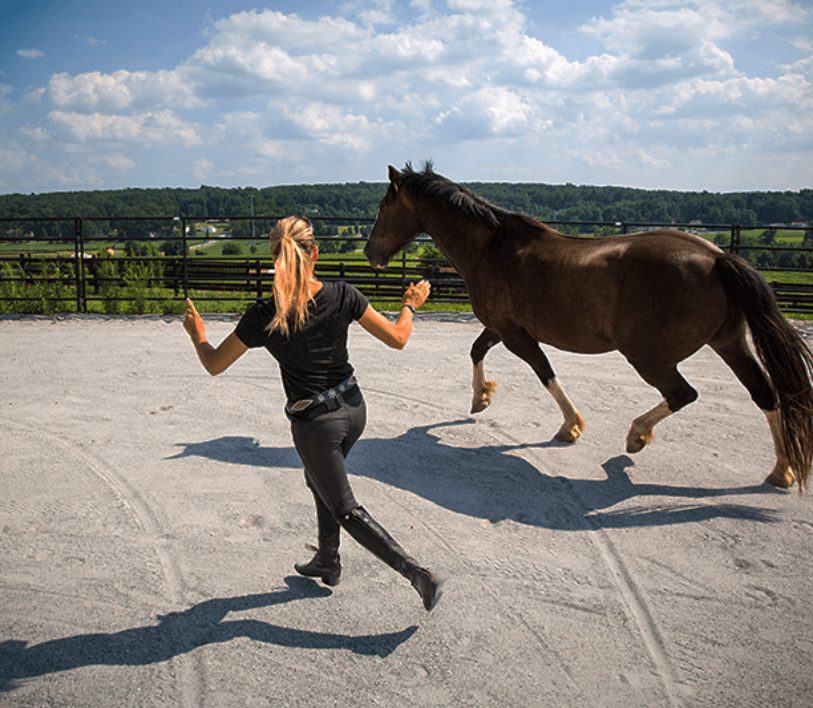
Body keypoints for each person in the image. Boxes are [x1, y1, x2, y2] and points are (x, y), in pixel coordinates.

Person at [183, 215, 442, 611]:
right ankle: (327, 559)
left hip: (316, 424)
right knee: (318, 478)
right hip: (355, 410)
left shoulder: (265, 315)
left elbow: (215, 364)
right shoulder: (343, 294)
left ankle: (417, 573)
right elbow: (398, 338)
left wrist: (198, 335)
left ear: (275, 258)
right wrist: (409, 304)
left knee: (345, 508)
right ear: (315, 254)